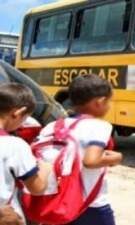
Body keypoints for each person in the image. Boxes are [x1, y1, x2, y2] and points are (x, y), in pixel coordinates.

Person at [37, 75, 123, 225]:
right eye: (109, 101)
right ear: (100, 102)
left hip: (56, 202)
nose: (109, 106)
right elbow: (91, 161)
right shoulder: (99, 125)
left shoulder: (52, 126)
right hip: (90, 205)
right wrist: (116, 158)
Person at [0, 83, 51, 223]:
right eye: (24, 118)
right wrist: (45, 170)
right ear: (17, 113)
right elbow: (37, 188)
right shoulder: (15, 145)